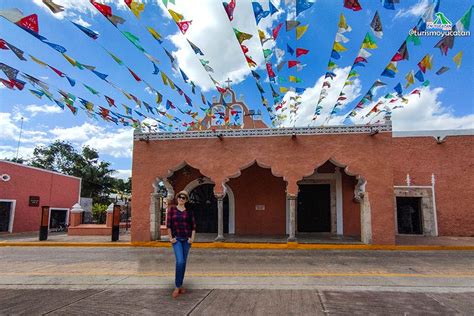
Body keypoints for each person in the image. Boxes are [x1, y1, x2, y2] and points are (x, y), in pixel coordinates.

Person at [166, 190, 196, 298]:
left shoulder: (189, 212)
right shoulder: (172, 210)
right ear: (177, 198)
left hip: (187, 240)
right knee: (180, 261)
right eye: (180, 197)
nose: (181, 199)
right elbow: (168, 225)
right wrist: (171, 238)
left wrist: (192, 238)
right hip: (177, 239)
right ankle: (177, 286)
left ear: (186, 200)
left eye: (184, 198)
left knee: (183, 263)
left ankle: (180, 284)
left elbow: (193, 227)